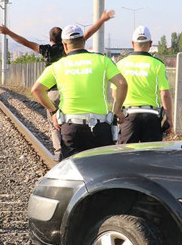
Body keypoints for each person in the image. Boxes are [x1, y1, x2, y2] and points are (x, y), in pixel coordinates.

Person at [0, 9, 116, 159]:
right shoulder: (73, 46)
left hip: (52, 93)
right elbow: (87, 34)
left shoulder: (46, 50)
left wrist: (8, 32)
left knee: (55, 123)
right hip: (70, 92)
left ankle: (59, 150)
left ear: (50, 38)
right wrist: (102, 19)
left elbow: (25, 42)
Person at [31, 24, 127, 159]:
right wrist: (117, 110)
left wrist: (53, 112)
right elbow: (122, 84)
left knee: (74, 171)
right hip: (100, 127)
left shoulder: (57, 66)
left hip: (71, 128)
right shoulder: (102, 60)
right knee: (102, 170)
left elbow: (36, 90)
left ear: (65, 45)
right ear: (84, 41)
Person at [115, 26, 173, 143]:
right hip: (151, 117)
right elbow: (165, 94)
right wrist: (169, 119)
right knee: (151, 157)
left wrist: (118, 111)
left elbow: (115, 92)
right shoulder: (158, 65)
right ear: (150, 44)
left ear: (132, 43)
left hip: (129, 116)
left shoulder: (121, 64)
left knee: (127, 156)